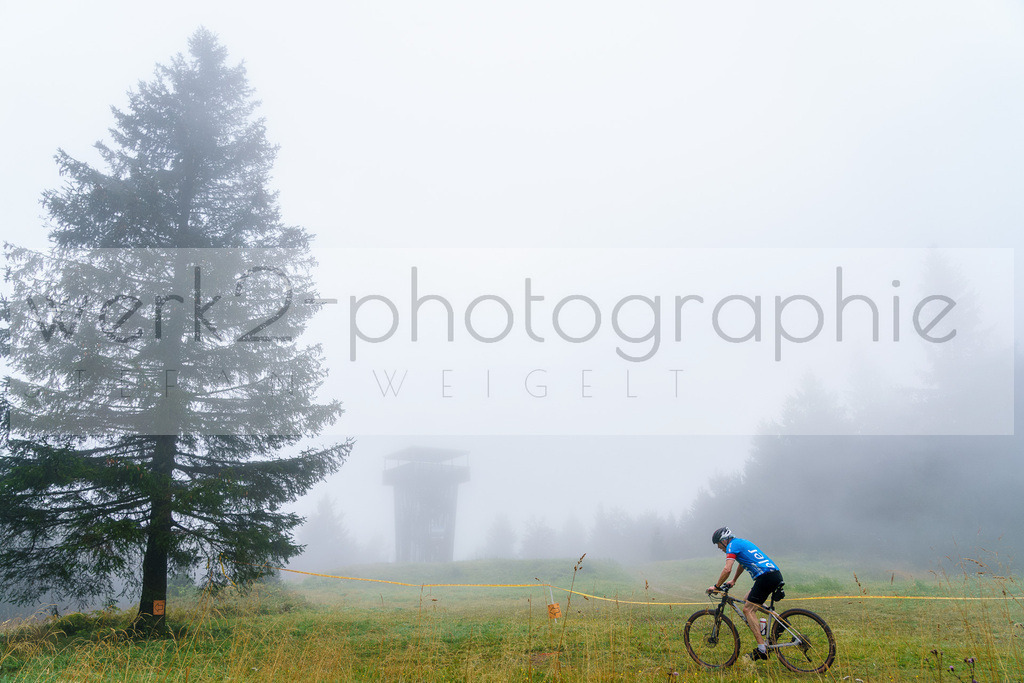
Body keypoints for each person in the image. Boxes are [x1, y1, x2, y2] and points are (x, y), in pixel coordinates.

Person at [707, 526, 784, 661]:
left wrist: (716, 586)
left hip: (765, 577)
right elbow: (742, 562)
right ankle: (781, 622)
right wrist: (734, 580)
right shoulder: (742, 542)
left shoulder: (731, 546)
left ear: (724, 541)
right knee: (747, 598)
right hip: (774, 574)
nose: (720, 548)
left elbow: (727, 569)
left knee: (748, 610)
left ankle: (762, 649)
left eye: (719, 545)